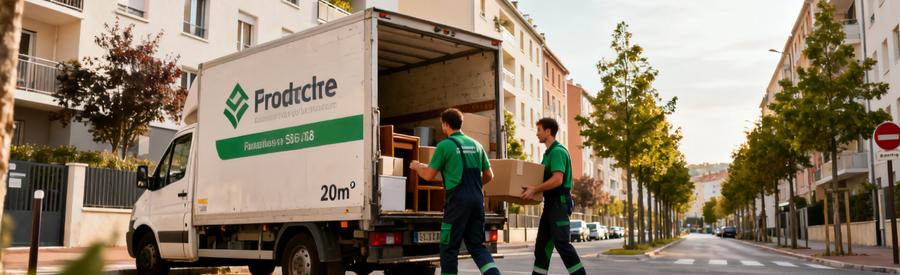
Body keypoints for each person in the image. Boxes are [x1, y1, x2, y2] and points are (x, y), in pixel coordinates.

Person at [410, 108, 500, 275]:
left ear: (445, 125)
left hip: (457, 202)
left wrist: (417, 167)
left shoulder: (445, 146)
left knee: (449, 248)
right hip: (476, 200)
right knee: (477, 246)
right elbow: (489, 175)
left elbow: (429, 175)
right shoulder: (477, 145)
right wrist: (472, 186)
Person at [521, 117, 585, 275]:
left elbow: (557, 179)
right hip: (550, 204)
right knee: (542, 247)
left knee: (562, 244)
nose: (537, 134)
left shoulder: (557, 152)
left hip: (559, 203)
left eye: (539, 130)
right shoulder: (548, 154)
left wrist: (534, 189)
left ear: (548, 131)